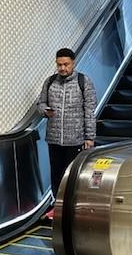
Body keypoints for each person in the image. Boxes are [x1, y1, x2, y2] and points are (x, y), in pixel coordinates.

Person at [37, 48, 97, 202]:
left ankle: (72, 207)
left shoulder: (83, 81)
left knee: (72, 177)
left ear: (73, 63)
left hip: (76, 140)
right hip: (54, 140)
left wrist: (89, 137)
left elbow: (89, 111)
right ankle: (57, 205)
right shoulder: (50, 81)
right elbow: (41, 103)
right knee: (56, 176)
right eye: (59, 65)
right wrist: (45, 110)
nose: (62, 68)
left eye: (66, 64)